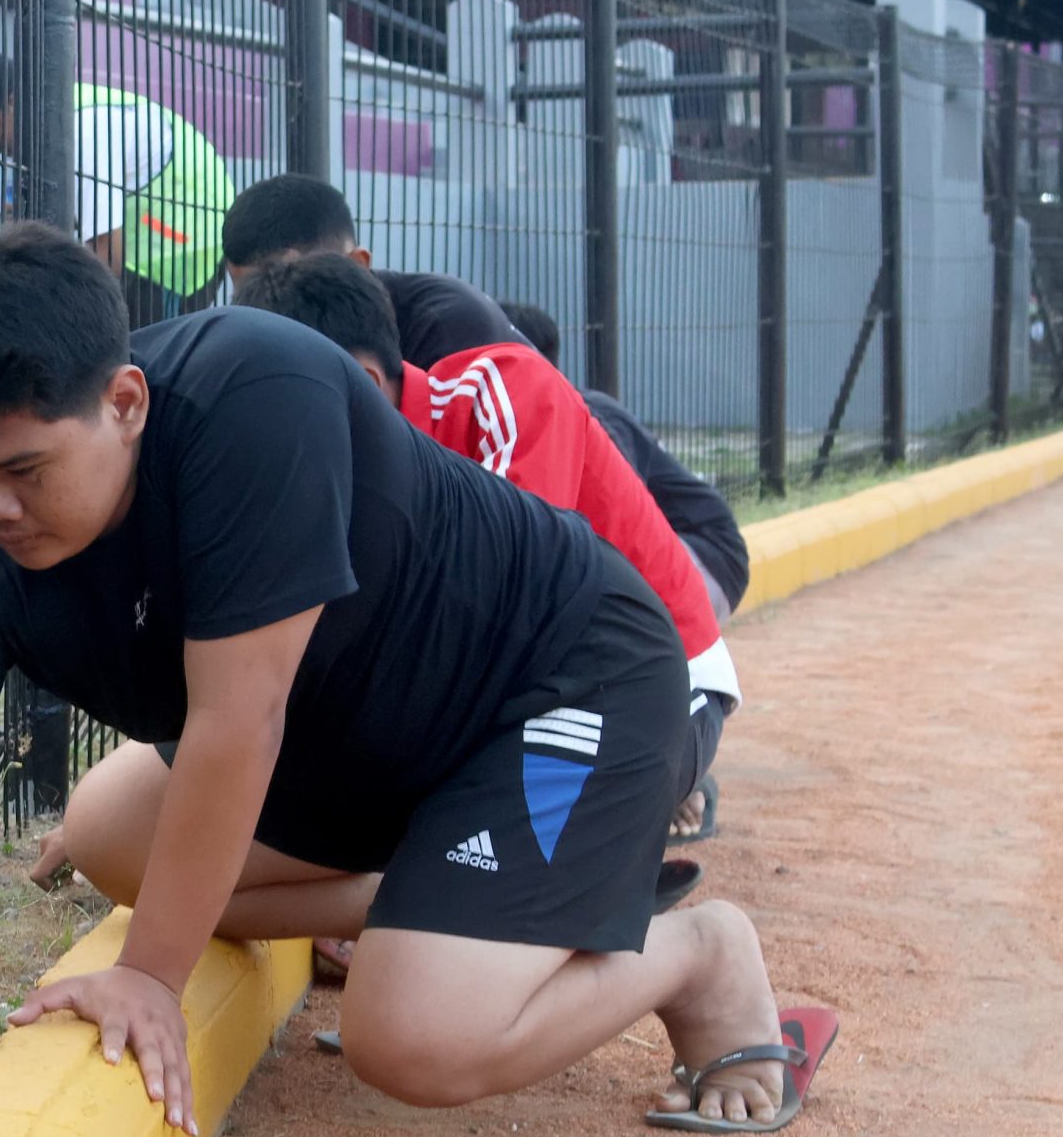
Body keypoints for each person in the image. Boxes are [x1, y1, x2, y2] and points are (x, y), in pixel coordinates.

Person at [0, 225, 834, 1137]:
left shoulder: (256, 392)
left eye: (26, 470)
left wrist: (150, 974)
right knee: (105, 833)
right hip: (361, 757)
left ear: (125, 400)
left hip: (554, 685)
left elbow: (238, 724)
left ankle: (694, 953)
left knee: (413, 1039)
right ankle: (444, 900)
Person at [234, 256, 739, 920]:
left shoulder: (501, 393)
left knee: (481, 861)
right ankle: (433, 897)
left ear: (356, 382)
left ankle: (584, 883)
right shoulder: (340, 474)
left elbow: (523, 629)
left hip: (657, 686)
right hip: (522, 703)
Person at [501, 298, 748, 843]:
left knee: (617, 621)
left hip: (704, 554)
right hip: (673, 558)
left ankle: (682, 765)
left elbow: (623, 537)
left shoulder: (583, 412)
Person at [0, 47, 236, 330]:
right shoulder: (39, 127)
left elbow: (107, 257)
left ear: (14, 101)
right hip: (142, 232)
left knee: (143, 357)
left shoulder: (81, 131)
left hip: (180, 244)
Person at [220, 173, 515, 365]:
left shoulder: (448, 330)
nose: (261, 311)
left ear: (358, 265)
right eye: (246, 296)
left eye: (280, 284)